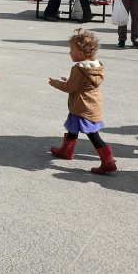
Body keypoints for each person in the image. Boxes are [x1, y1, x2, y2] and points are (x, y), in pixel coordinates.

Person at [48, 28, 115, 174]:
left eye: (71, 49)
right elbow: (84, 83)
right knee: (73, 128)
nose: (69, 52)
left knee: (93, 135)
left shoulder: (79, 68)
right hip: (91, 103)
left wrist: (55, 83)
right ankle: (66, 151)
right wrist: (71, 81)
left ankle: (108, 161)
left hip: (82, 106)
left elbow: (69, 88)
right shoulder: (95, 67)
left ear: (80, 53)